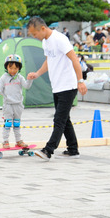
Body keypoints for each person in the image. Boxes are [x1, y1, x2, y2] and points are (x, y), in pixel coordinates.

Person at [26, 16, 87, 160]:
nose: (35, 37)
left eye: (35, 34)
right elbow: (49, 61)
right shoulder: (45, 43)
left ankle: (48, 150)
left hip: (68, 85)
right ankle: (73, 149)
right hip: (57, 86)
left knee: (58, 119)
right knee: (65, 120)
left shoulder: (60, 39)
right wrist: (37, 73)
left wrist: (80, 80)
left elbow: (74, 59)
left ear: (42, 28)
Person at [0, 55, 33, 149]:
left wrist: (30, 79)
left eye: (16, 68)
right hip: (8, 105)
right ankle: (5, 141)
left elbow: (26, 86)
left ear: (19, 68)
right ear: (6, 67)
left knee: (16, 123)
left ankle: (18, 140)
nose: (13, 70)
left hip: (18, 104)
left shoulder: (19, 77)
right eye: (10, 68)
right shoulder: (3, 78)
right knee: (7, 123)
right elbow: (0, 87)